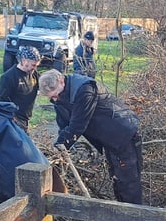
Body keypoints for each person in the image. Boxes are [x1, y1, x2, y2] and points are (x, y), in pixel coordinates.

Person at [37, 69, 143, 205]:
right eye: (52, 98)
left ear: (61, 80)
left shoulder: (85, 90)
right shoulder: (62, 97)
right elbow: (64, 126)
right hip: (109, 139)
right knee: (116, 177)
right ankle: (122, 216)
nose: (55, 99)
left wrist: (60, 148)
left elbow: (77, 126)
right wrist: (57, 150)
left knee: (128, 181)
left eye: (56, 95)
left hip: (123, 134)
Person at [0, 46, 41, 130]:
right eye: (33, 65)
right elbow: (0, 102)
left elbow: (44, 86)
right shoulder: (8, 77)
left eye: (36, 65)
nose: (35, 68)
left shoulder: (34, 75)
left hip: (25, 119)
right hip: (13, 121)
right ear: (24, 61)